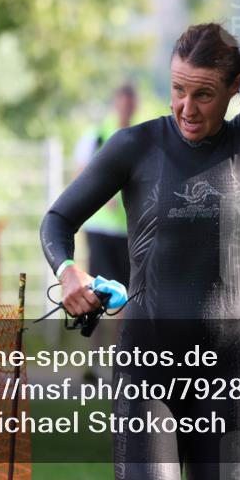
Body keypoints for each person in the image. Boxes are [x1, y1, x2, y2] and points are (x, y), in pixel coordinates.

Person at [40, 24, 240, 480]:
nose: (187, 107)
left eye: (204, 93)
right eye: (178, 89)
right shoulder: (134, 146)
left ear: (234, 87)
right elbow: (57, 220)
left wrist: (232, 60)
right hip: (148, 369)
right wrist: (68, 273)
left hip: (226, 372)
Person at [72, 84, 136, 378]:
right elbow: (80, 175)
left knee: (125, 299)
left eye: (129, 104)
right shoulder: (97, 135)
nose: (125, 108)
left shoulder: (139, 137)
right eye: (121, 103)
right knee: (96, 294)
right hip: (100, 230)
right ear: (116, 104)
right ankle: (93, 361)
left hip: (128, 234)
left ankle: (118, 363)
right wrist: (104, 192)